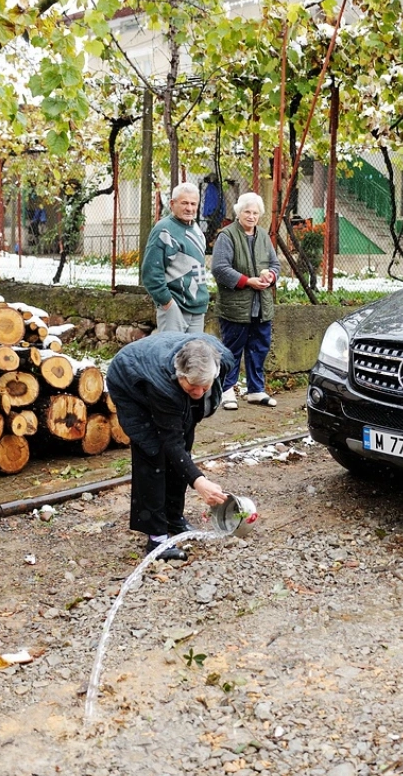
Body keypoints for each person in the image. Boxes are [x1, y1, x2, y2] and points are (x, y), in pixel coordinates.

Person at [105, 333, 234, 561]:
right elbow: (170, 442)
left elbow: (180, 444)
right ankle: (156, 538)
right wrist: (199, 481)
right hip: (130, 385)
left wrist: (199, 390)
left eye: (205, 387)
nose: (198, 393)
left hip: (167, 384)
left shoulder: (222, 360)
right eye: (192, 386)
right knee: (152, 451)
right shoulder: (162, 385)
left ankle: (174, 517)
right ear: (179, 375)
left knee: (184, 445)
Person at [211, 191, 282, 409]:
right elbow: (220, 269)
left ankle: (256, 390)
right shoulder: (227, 236)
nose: (251, 216)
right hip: (236, 306)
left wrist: (270, 276)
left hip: (261, 305)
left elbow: (275, 264)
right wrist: (246, 281)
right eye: (247, 212)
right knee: (232, 349)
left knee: (259, 347)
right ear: (239, 213)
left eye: (255, 213)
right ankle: (226, 389)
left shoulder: (262, 236)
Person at [141, 182, 210, 333]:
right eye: (184, 203)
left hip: (197, 308)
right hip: (175, 307)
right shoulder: (163, 229)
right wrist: (167, 303)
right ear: (172, 204)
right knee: (172, 354)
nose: (189, 208)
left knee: (193, 355)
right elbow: (150, 272)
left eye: (193, 203)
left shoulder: (196, 229)